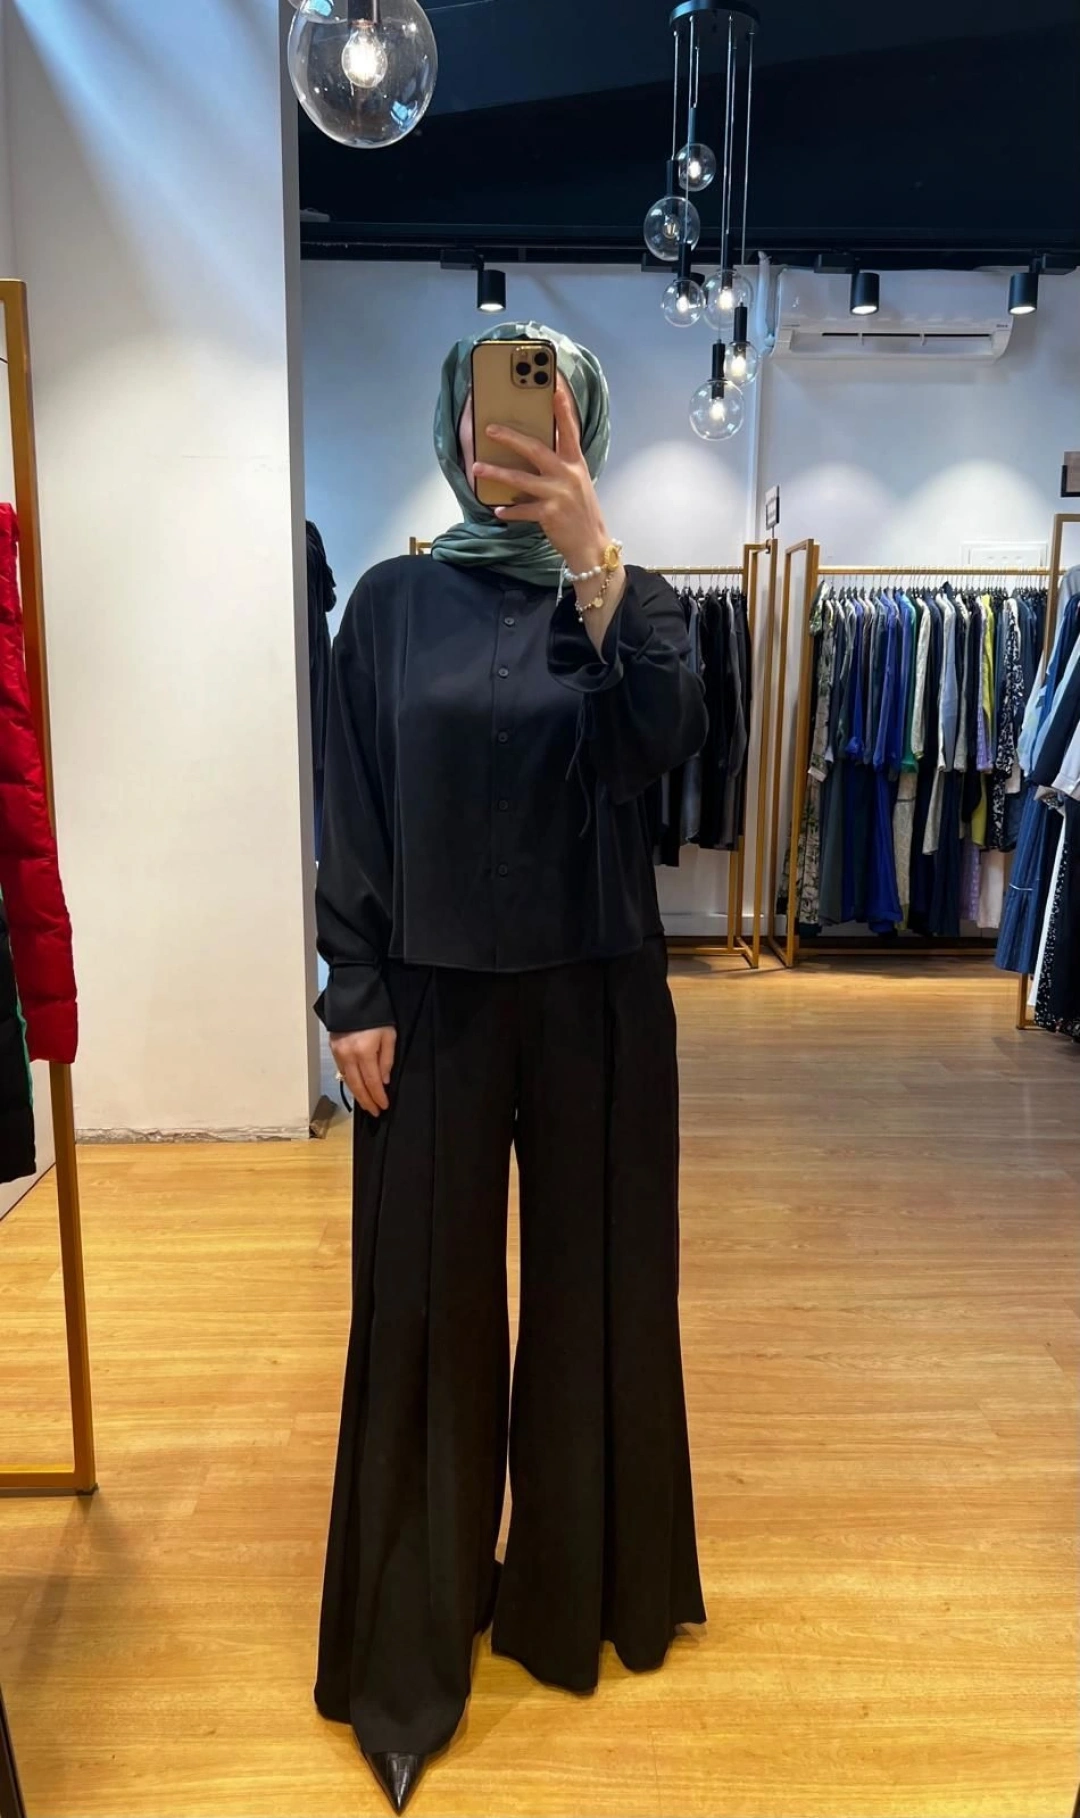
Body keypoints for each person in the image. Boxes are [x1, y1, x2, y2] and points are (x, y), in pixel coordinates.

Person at [313, 320, 707, 1814]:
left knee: (600, 1293)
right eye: (490, 411)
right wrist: (352, 984)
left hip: (598, 998)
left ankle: (574, 1593)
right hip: (429, 1006)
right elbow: (352, 800)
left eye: (544, 412)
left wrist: (595, 555)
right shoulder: (389, 605)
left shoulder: (631, 605)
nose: (511, 436)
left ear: (577, 425)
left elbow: (661, 745)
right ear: (452, 426)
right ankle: (412, 1632)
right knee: (425, 1305)